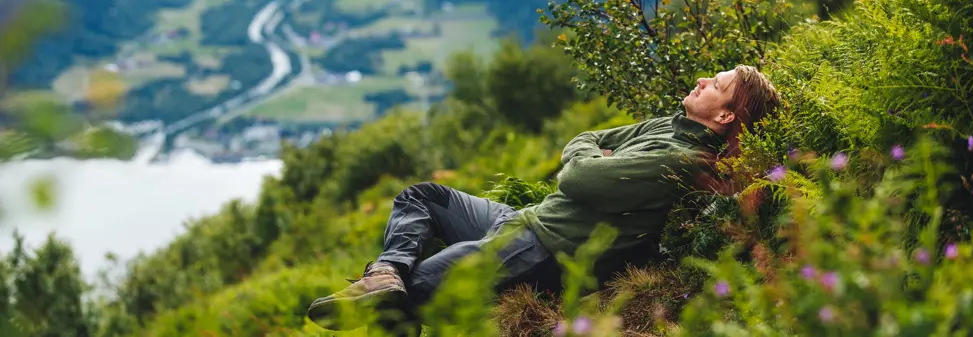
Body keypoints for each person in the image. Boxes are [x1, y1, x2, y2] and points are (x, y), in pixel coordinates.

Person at [306, 65, 781, 332]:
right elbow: (593, 137)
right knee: (422, 196)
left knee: (409, 298)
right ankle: (385, 271)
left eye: (715, 86)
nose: (701, 80)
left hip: (543, 247)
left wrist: (587, 154)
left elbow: (578, 176)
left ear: (723, 116)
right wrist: (590, 150)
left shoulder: (681, 158)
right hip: (525, 221)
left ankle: (390, 291)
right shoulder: (667, 126)